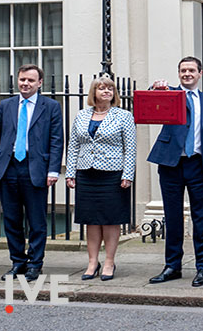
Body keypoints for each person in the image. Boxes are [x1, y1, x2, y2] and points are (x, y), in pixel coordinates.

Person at [147, 56, 203, 287]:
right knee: (172, 217)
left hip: (199, 164)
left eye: (191, 70)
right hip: (171, 164)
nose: (187, 74)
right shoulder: (169, 94)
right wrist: (155, 87)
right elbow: (150, 102)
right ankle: (172, 266)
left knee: (201, 217)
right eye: (183, 70)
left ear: (200, 73)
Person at [0, 64, 63, 282]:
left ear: (39, 83)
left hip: (35, 168)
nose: (25, 84)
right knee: (11, 219)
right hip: (8, 168)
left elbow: (57, 140)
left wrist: (53, 169)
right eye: (22, 79)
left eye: (30, 80)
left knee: (36, 221)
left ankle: (35, 264)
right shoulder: (6, 105)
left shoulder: (50, 106)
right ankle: (17, 263)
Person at [66, 75, 136, 281]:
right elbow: (74, 146)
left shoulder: (124, 116)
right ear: (94, 92)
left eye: (110, 89)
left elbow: (130, 148)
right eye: (102, 88)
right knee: (91, 220)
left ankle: (109, 262)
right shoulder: (81, 115)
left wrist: (128, 174)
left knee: (111, 220)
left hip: (113, 175)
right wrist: (70, 172)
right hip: (86, 173)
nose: (106, 92)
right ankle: (92, 262)